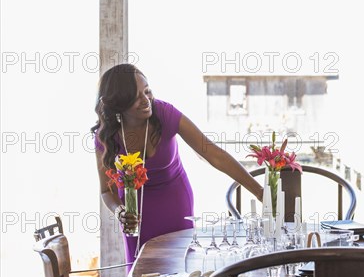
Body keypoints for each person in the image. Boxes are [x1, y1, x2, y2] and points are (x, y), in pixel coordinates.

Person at [91, 63, 263, 263]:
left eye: (147, 92)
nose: (146, 100)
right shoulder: (105, 137)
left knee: (180, 266)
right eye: (136, 97)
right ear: (119, 102)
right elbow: (107, 191)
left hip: (175, 200)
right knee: (143, 270)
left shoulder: (164, 113)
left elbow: (213, 153)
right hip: (135, 214)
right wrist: (121, 212)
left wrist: (259, 191)